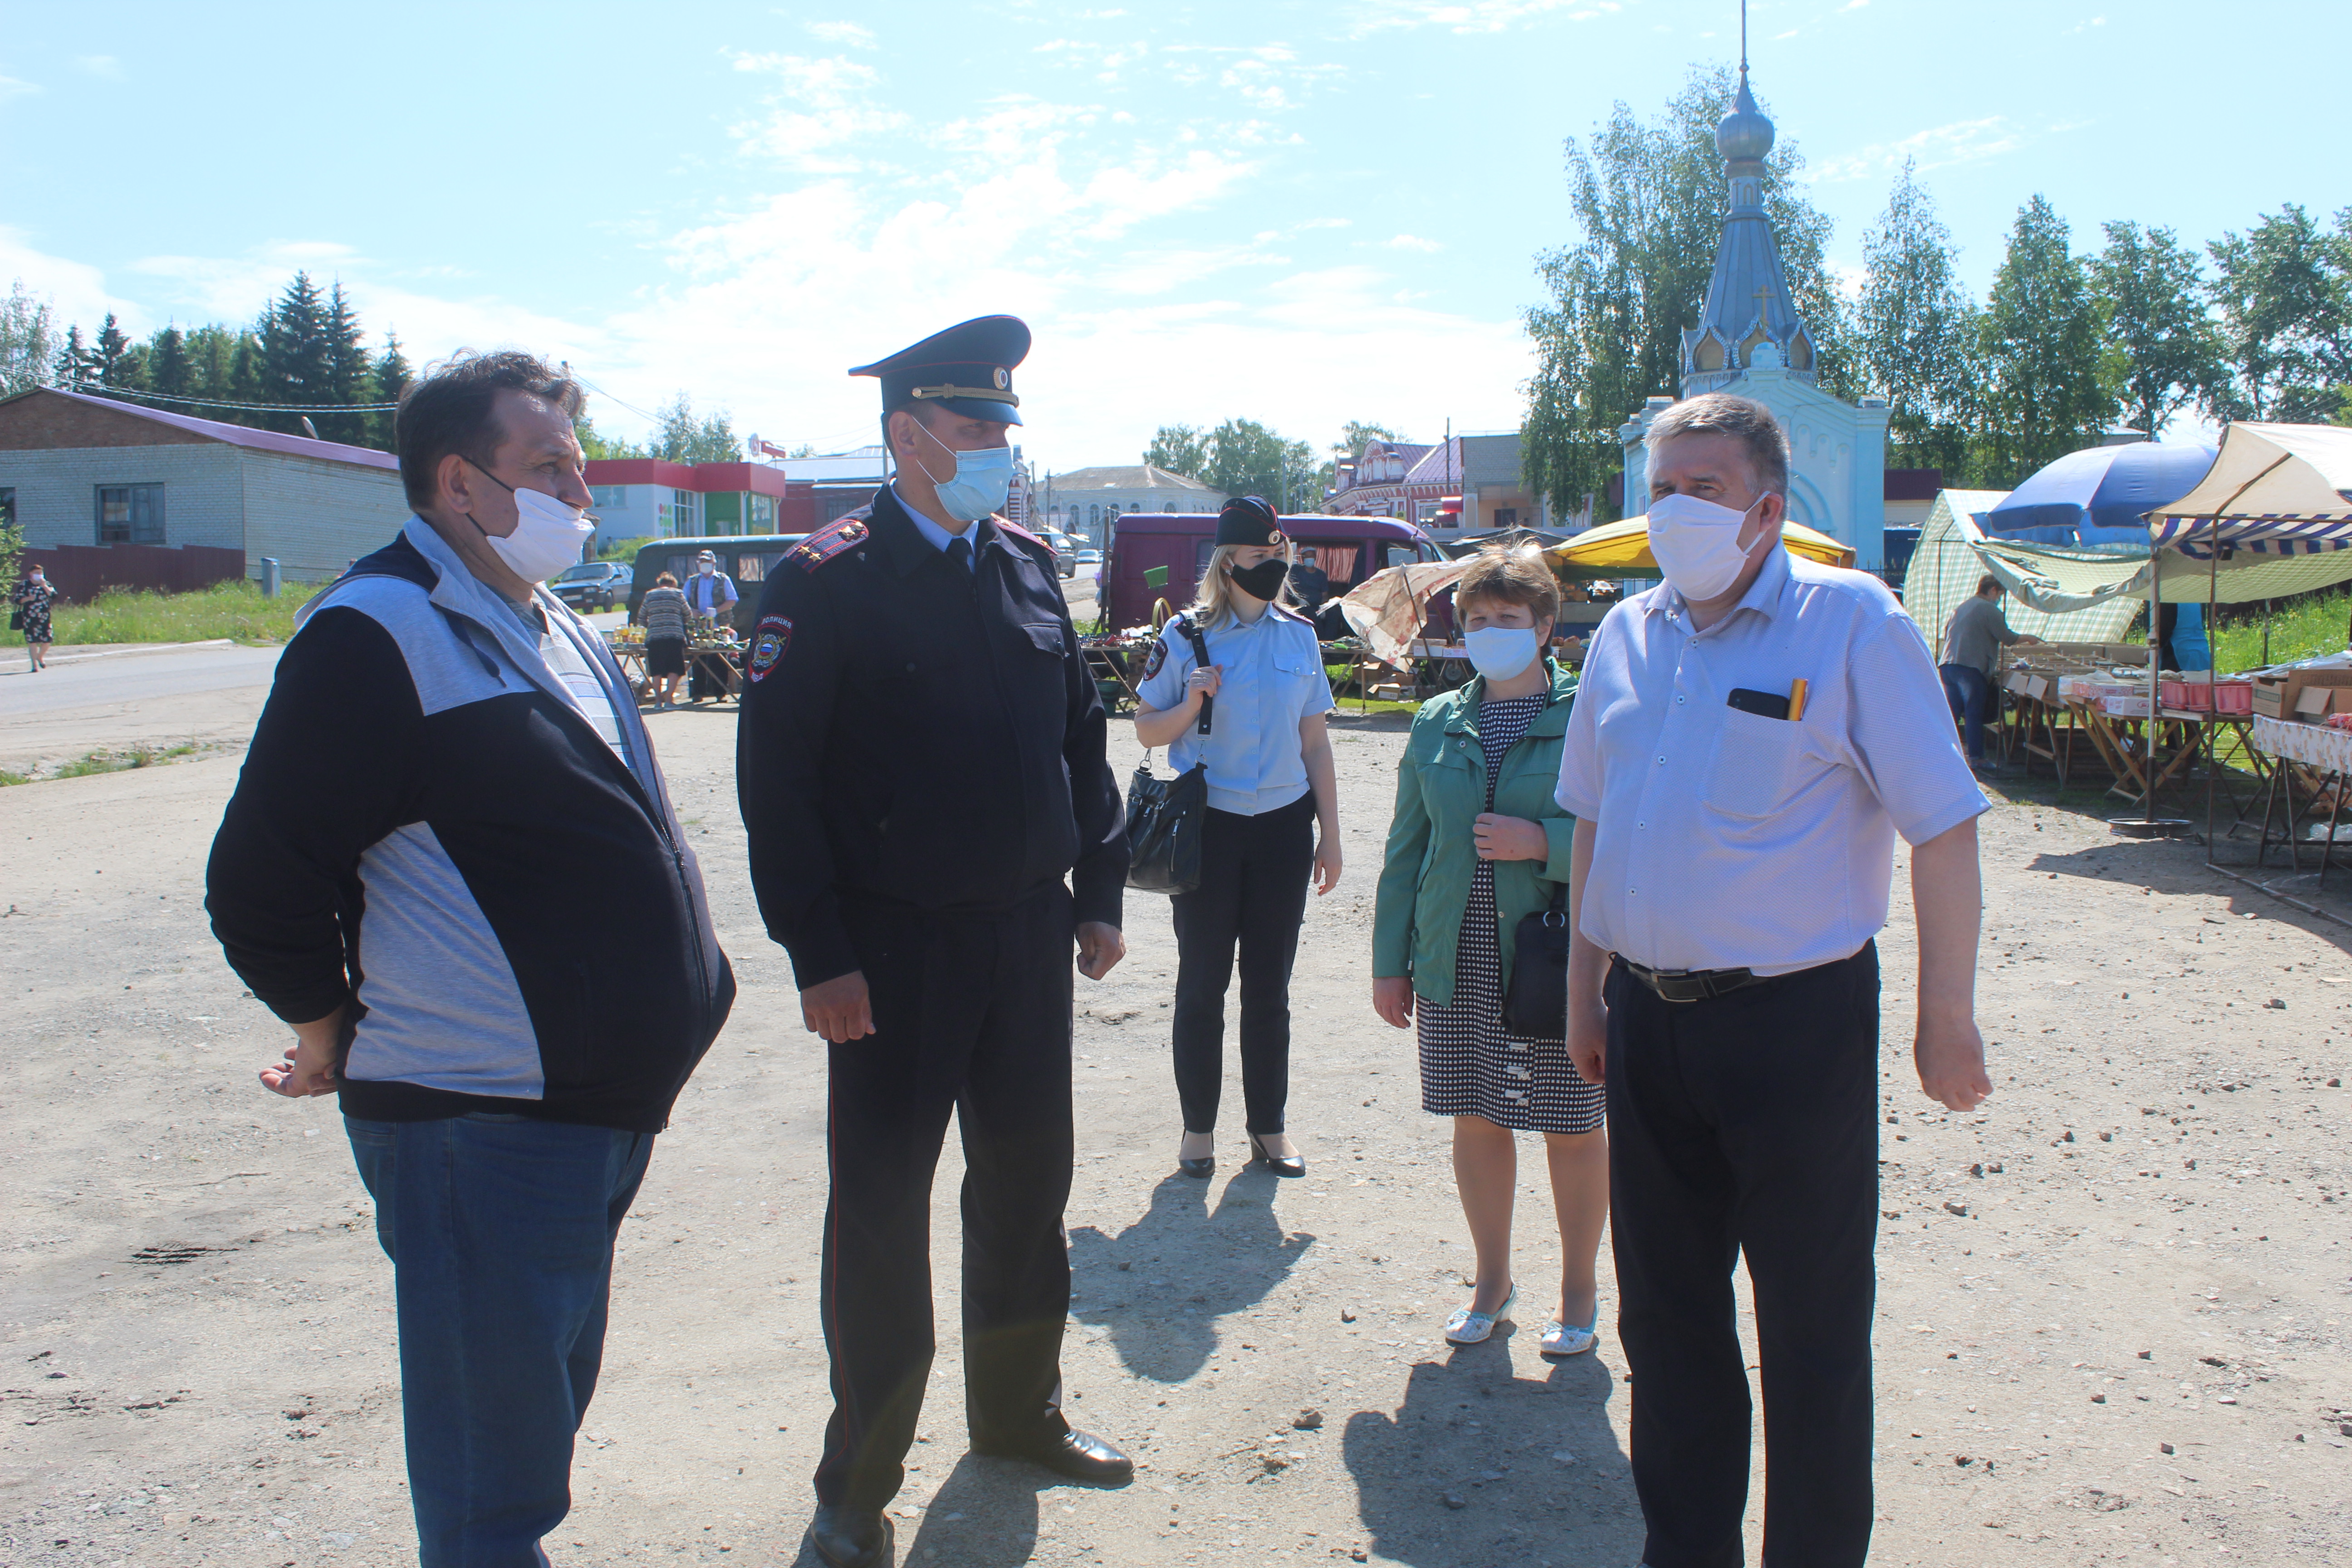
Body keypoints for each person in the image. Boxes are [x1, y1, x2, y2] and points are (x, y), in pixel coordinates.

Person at [204, 350, 736, 1568]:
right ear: (457, 482)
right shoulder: (376, 632)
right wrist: (325, 1026)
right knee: (490, 1491)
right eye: (548, 467)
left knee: (529, 1437)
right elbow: (261, 877)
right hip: (475, 1119)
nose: (580, 494)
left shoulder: (552, 622)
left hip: (585, 1114)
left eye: (581, 468)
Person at [1556, 392, 1991, 1568]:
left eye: (1703, 486)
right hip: (1648, 1025)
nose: (1675, 509)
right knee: (1669, 1321)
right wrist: (1582, 990)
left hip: (1795, 1028)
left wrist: (1943, 1019)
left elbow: (1942, 826)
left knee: (1809, 1335)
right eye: (1661, 487)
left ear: (1767, 507)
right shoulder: (1626, 637)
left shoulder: (1852, 625)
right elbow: (1593, 821)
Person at [736, 315, 1134, 1568]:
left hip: (1023, 944)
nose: (997, 454)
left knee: (1026, 1194)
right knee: (882, 1219)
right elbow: (777, 786)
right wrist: (818, 953)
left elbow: (1080, 740)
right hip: (891, 960)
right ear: (906, 436)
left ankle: (1018, 1417)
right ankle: (855, 1486)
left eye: (1004, 432)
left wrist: (1100, 889)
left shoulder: (1023, 565)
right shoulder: (826, 579)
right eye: (973, 431)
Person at [1371, 547, 1605, 1356]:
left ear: (1543, 627)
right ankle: (1491, 1281)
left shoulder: (1588, 717)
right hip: (1453, 956)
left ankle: (1579, 1289)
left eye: (1506, 620)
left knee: (1570, 1125)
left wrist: (1541, 841)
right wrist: (1388, 962)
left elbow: (1628, 837)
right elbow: (1405, 852)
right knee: (1475, 1118)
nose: (1488, 632)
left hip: (1550, 963)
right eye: (1474, 620)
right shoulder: (1437, 721)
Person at [1133, 495, 1342, 1180]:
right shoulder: (1185, 637)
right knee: (1201, 985)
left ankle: (1269, 1129)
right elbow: (1146, 729)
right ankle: (1198, 1131)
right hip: (1210, 826)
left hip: (1283, 827)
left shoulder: (1300, 636)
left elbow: (1315, 740)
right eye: (1258, 555)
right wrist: (1190, 701)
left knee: (1269, 990)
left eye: (1278, 553)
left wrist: (1331, 835)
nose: (1273, 565)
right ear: (1227, 565)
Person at [1938, 574, 2041, 770]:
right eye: (2001, 594)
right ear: (1993, 590)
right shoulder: (1988, 609)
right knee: (1974, 713)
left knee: (1952, 715)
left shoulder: (1963, 607)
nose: (2000, 599)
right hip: (1969, 668)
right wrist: (2029, 638)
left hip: (1948, 665)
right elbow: (2007, 637)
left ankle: (1942, 755)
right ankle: (1977, 758)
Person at [684, 549, 740, 704]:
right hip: (699, 627)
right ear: (698, 564)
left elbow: (733, 600)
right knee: (698, 658)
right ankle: (698, 692)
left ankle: (720, 693)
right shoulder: (692, 581)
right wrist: (692, 611)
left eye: (707, 562)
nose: (705, 565)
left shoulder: (723, 579)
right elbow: (684, 601)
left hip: (719, 625)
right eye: (702, 562)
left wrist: (716, 611)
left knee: (719, 658)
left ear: (714, 563)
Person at [637, 569, 690, 708]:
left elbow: (642, 617)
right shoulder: (678, 594)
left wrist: (652, 625)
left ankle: (658, 702)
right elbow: (688, 614)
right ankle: (669, 701)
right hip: (674, 636)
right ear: (673, 584)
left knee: (657, 670)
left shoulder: (650, 595)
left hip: (654, 637)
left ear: (660, 583)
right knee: (675, 669)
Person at [12, 560, 55, 671]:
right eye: (37, 573)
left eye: (41, 573)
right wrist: (28, 599)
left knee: (48, 640)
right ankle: (34, 666)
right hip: (30, 617)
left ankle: (40, 657)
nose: (40, 575)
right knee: (33, 641)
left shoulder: (47, 584)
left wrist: (44, 586)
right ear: (31, 574)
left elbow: (54, 595)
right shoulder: (25, 585)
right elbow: (18, 600)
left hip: (45, 616)